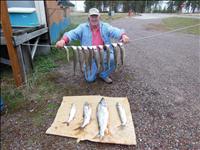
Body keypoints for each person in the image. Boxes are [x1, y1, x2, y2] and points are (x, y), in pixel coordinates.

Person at [56, 8, 129, 84]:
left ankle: (103, 74)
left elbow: (114, 31)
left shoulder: (105, 26)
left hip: (103, 52)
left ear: (99, 17)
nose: (94, 18)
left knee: (112, 58)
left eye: (96, 16)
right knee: (89, 79)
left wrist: (123, 35)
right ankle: (90, 68)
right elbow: (72, 33)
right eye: (92, 16)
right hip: (89, 56)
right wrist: (63, 40)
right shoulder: (82, 27)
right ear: (89, 17)